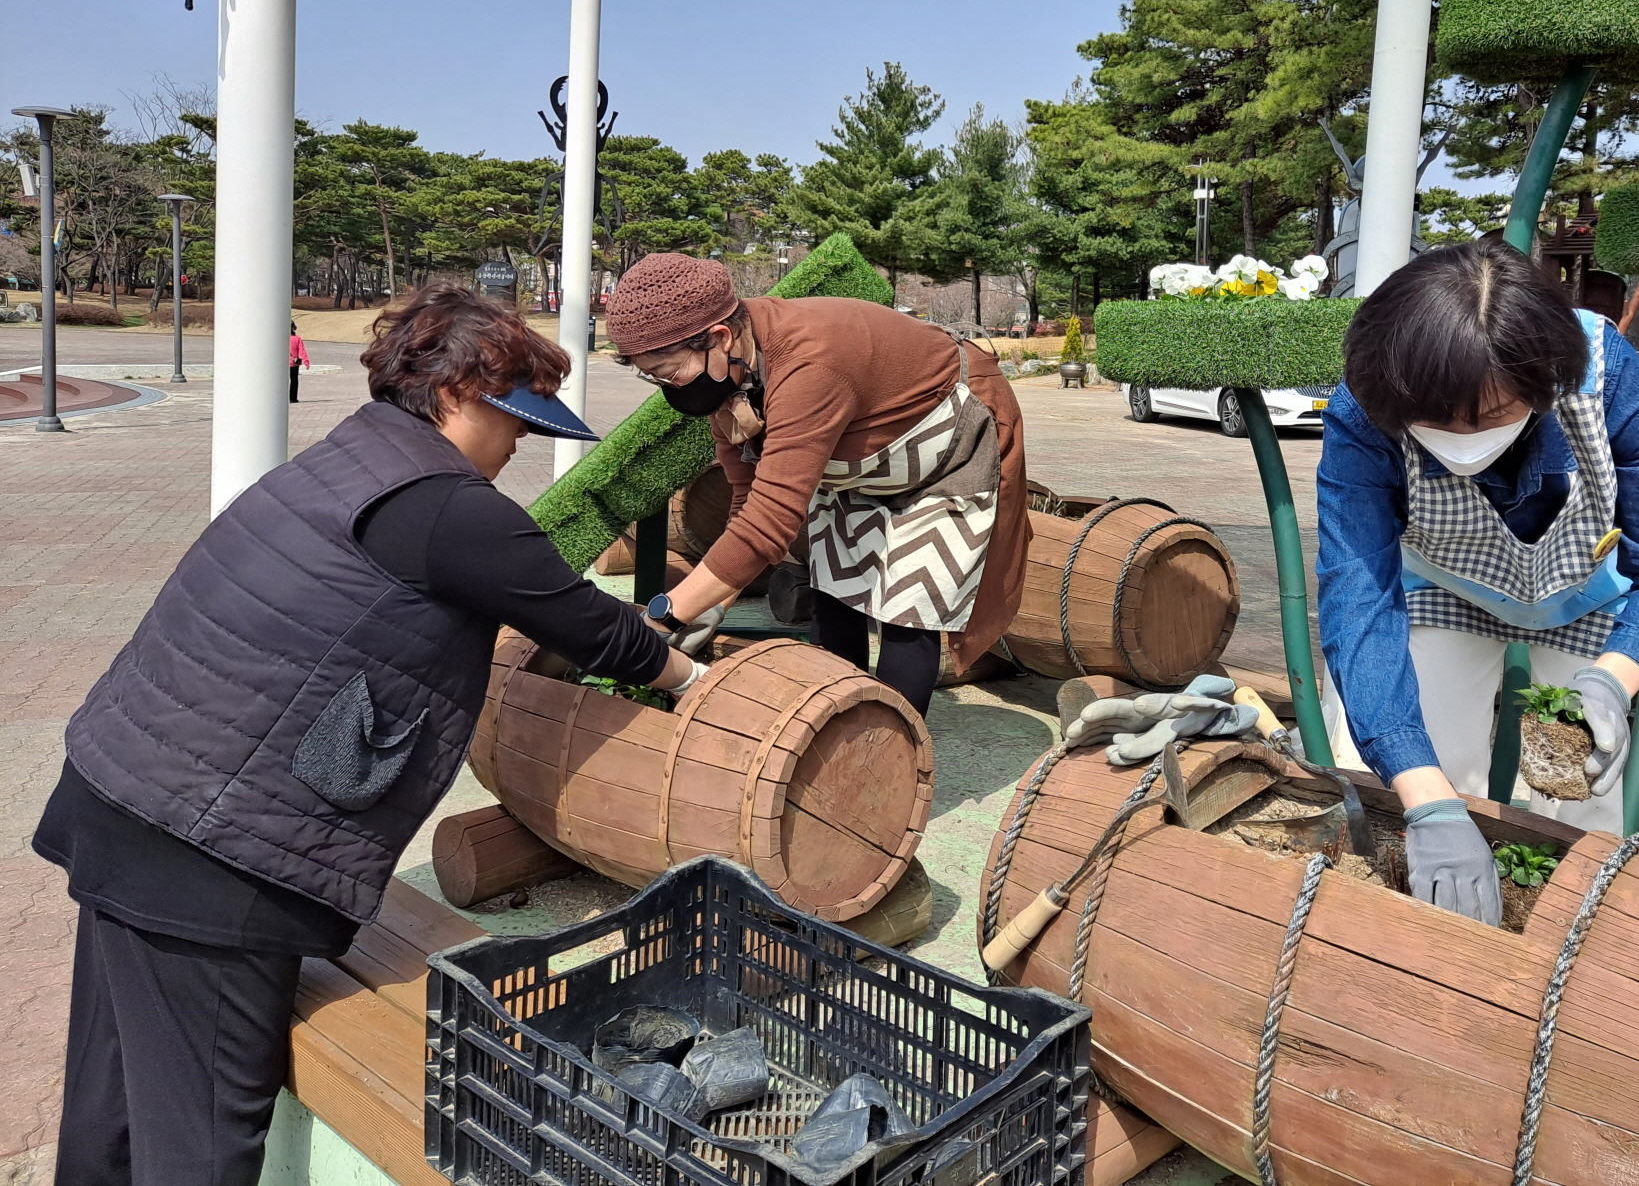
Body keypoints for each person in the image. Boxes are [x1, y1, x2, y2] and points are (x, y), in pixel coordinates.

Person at [35, 284, 699, 1186]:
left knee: (111, 1092)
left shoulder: (351, 454)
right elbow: (593, 626)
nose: (516, 442)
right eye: (512, 418)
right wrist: (692, 677)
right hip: (215, 859)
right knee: (200, 1135)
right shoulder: (449, 506)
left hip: (124, 795)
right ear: (456, 393)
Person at [1315, 238, 1639, 925]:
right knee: (1416, 773)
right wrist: (1428, 798)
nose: (1463, 437)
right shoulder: (1371, 402)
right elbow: (1359, 601)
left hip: (1582, 590)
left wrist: (1612, 681)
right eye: (1434, 421)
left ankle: (1572, 935)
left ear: (1545, 380)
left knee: (1582, 790)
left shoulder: (1604, 378)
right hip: (1445, 584)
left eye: (1494, 414)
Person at [605, 253, 1028, 716]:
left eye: (668, 373)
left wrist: (664, 617)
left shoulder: (809, 361)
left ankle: (894, 743)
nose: (669, 387)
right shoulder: (733, 372)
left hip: (945, 450)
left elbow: (768, 523)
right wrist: (714, 604)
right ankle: (832, 724)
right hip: (863, 463)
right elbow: (748, 500)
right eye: (653, 377)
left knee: (909, 608)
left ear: (721, 337)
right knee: (833, 588)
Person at [289, 320, 311, 403]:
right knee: (294, 381)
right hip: (294, 363)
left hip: (282, 364)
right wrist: (306, 361)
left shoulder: (281, 338)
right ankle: (293, 398)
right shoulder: (297, 339)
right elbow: (302, 350)